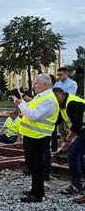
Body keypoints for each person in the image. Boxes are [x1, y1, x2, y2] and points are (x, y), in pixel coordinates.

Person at [14, 73, 59, 203]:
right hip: (31, 136)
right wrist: (22, 104)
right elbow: (29, 109)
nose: (33, 85)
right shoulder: (41, 97)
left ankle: (38, 194)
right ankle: (34, 190)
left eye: (36, 82)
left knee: (36, 166)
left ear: (45, 84)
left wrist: (20, 104)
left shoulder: (49, 99)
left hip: (38, 137)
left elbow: (34, 115)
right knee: (32, 165)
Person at [52, 87, 85, 195]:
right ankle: (79, 184)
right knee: (77, 154)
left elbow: (76, 125)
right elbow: (58, 120)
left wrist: (66, 140)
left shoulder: (73, 103)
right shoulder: (62, 105)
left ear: (60, 95)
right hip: (82, 131)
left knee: (72, 153)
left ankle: (76, 186)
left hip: (83, 129)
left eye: (54, 99)